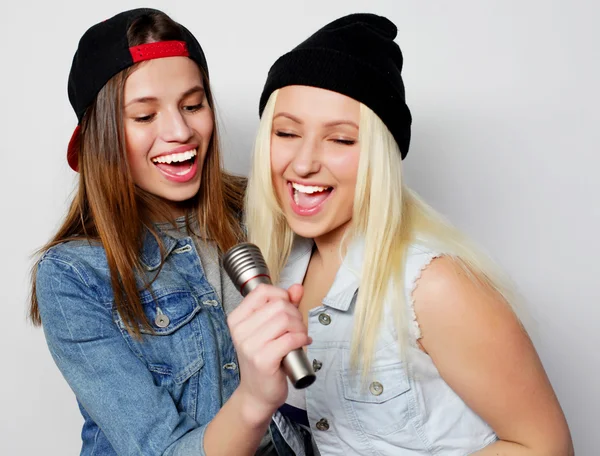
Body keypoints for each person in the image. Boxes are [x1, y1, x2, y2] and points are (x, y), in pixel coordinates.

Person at [244, 13, 574, 455]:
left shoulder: (434, 287)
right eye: (286, 132)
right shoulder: (280, 270)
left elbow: (546, 447)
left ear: (381, 156)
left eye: (341, 140)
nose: (303, 163)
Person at [30, 8, 312, 456]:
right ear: (102, 134)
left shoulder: (262, 210)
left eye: (193, 105)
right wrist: (256, 399)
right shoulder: (72, 275)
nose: (180, 131)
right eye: (144, 117)